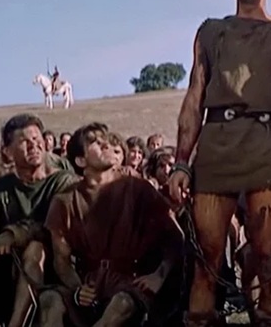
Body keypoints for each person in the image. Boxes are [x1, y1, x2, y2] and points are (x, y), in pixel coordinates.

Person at [168, 0, 271, 326]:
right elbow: (194, 97)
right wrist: (181, 162)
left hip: (268, 143)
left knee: (268, 255)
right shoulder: (211, 32)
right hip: (218, 143)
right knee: (206, 256)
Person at [39, 123, 183, 326]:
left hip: (131, 282)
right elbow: (61, 261)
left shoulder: (138, 189)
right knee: (50, 300)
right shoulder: (65, 201)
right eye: (94, 142)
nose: (105, 144)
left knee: (121, 304)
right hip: (89, 282)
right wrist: (78, 289)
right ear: (81, 160)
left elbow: (175, 237)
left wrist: (158, 276)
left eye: (104, 140)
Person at [0, 114, 78, 327]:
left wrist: (13, 234)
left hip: (54, 271)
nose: (33, 145)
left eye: (36, 138)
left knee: (35, 248)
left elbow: (52, 229)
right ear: (8, 152)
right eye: (24, 141)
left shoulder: (64, 183)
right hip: (3, 274)